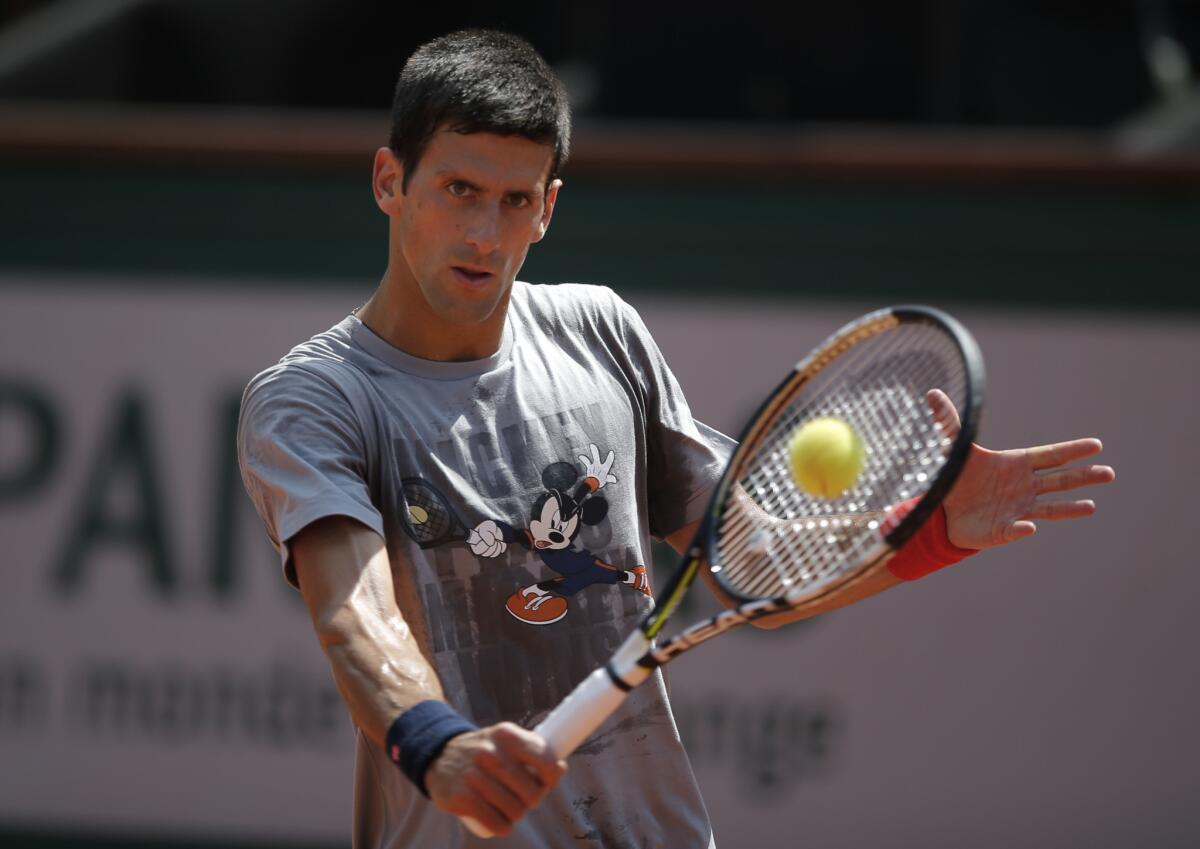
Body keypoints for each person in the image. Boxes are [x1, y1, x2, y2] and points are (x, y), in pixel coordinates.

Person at [236, 28, 1115, 849]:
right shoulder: (313, 401)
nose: (484, 234)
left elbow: (755, 560)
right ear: (390, 180)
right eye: (458, 190)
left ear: (547, 209)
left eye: (514, 201)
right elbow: (356, 615)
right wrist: (437, 743)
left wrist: (930, 525)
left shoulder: (601, 329)